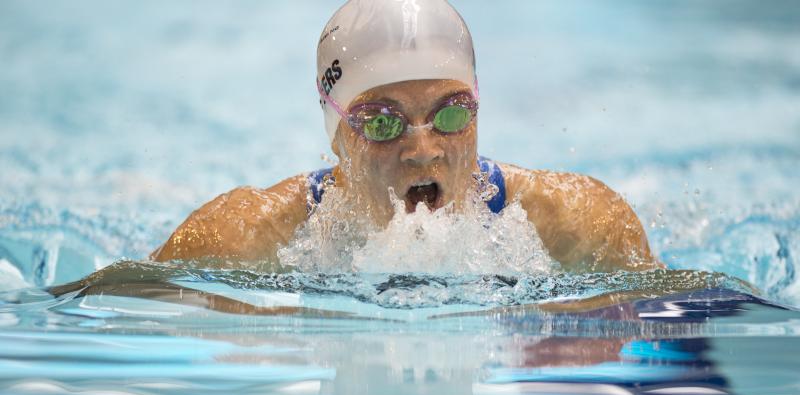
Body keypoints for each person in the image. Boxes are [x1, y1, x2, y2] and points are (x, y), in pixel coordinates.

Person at [151, 0, 660, 273]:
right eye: (381, 122)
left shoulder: (581, 224)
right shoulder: (240, 238)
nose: (422, 150)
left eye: (451, 116)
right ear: (337, 136)